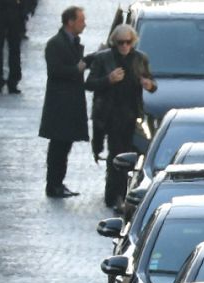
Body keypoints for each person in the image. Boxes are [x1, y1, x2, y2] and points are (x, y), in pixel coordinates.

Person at [86, 25, 156, 210]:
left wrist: (148, 85)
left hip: (132, 115)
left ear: (133, 42)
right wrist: (108, 79)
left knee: (130, 154)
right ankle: (116, 196)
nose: (124, 46)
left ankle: (121, 195)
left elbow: (152, 83)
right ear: (114, 43)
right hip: (110, 114)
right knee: (117, 155)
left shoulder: (140, 58)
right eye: (120, 43)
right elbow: (90, 83)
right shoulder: (103, 58)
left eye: (128, 42)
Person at [41, 6, 89, 199]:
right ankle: (53, 185)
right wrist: (77, 68)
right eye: (81, 20)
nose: (84, 24)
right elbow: (55, 71)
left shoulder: (72, 42)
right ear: (70, 21)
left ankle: (58, 183)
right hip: (60, 104)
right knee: (58, 147)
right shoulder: (55, 43)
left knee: (64, 146)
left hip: (69, 103)